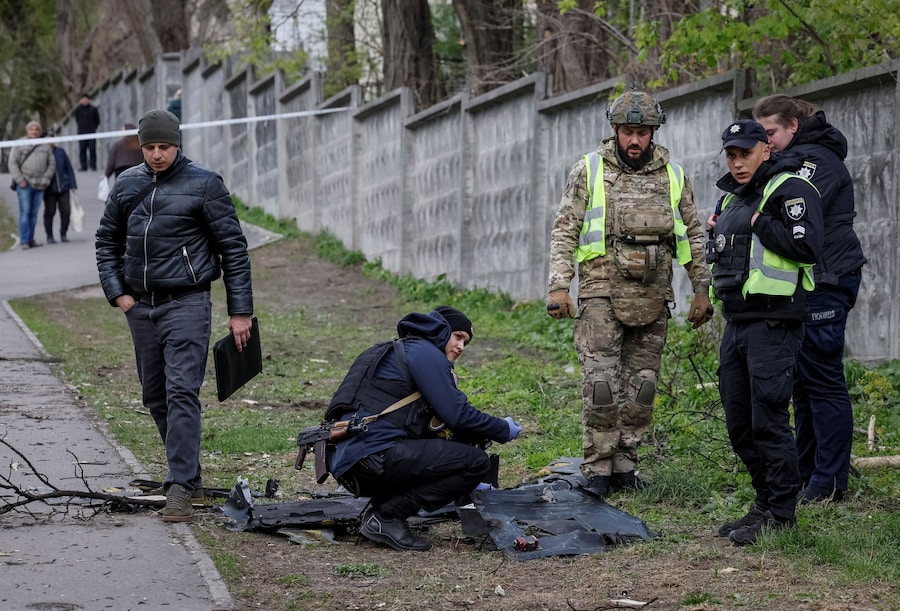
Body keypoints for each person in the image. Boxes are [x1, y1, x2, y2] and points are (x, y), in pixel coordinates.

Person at [546, 90, 712, 498]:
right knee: (600, 386)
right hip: (600, 291)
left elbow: (691, 234)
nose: (635, 140)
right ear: (614, 131)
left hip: (653, 295)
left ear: (653, 133)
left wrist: (701, 288)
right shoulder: (588, 170)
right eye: (627, 132)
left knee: (643, 386)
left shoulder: (673, 175)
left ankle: (625, 465)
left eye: (642, 132)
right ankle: (598, 467)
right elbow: (565, 228)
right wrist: (558, 285)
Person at [95, 109, 254, 523]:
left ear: (177, 143)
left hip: (188, 301)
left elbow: (233, 249)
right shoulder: (127, 184)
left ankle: (180, 486)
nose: (157, 154)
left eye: (164, 146)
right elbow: (106, 240)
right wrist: (119, 295)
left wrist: (241, 311)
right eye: (149, 147)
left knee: (182, 390)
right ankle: (192, 479)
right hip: (141, 305)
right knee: (155, 395)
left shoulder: (204, 184)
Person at [709, 119, 823, 546]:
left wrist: (759, 222)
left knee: (769, 420)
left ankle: (781, 512)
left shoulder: (791, 189)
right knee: (740, 422)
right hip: (737, 321)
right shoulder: (732, 197)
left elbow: (808, 248)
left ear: (765, 150)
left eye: (745, 153)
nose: (738, 163)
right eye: (731, 155)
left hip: (774, 322)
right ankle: (763, 502)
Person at [325, 306, 523, 551]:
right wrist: (503, 428)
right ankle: (386, 516)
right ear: (442, 331)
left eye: (466, 342)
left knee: (456, 453)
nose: (461, 347)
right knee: (475, 463)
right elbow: (458, 415)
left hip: (351, 461)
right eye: (458, 336)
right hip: (374, 458)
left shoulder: (395, 350)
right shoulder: (426, 353)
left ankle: (383, 509)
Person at [752, 95, 867, 505]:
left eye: (771, 134)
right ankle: (807, 474)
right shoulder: (793, 160)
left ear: (793, 127)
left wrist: (754, 215)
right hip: (808, 279)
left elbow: (789, 213)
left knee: (823, 380)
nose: (766, 143)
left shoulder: (816, 162)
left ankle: (830, 482)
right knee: (802, 381)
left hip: (828, 277)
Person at [9, 120, 56, 250]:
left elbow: (52, 163)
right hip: (25, 184)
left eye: (36, 130)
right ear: (27, 131)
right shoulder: (19, 144)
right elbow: (12, 163)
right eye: (31, 129)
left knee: (34, 213)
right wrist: (20, 180)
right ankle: (24, 240)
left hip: (40, 184)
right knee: (25, 212)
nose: (34, 132)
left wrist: (46, 178)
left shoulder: (44, 145)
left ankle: (31, 239)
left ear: (39, 131)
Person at [43, 130, 78, 244]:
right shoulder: (42, 152)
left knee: (66, 211)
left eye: (52, 138)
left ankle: (63, 233)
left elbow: (69, 168)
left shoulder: (60, 152)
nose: (50, 141)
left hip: (64, 187)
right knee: (50, 211)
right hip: (49, 188)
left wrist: (73, 184)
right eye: (48, 138)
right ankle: (49, 236)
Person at [74, 93, 101, 171]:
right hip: (81, 133)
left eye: (86, 99)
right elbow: (77, 120)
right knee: (82, 150)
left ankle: (93, 165)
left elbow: (97, 120)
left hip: (91, 132)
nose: (84, 100)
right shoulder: (78, 110)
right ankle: (83, 166)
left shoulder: (93, 109)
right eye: (83, 99)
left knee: (92, 149)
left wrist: (93, 128)